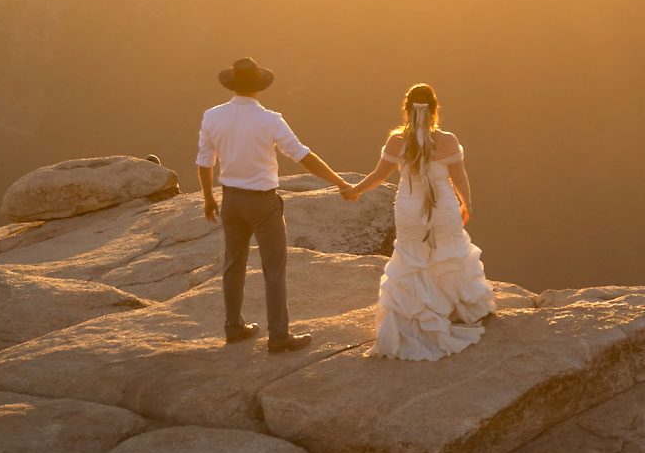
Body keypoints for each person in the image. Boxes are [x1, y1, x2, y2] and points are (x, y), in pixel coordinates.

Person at [196, 56, 356, 352]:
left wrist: (208, 197)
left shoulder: (212, 116)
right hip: (263, 202)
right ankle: (279, 336)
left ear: (232, 83)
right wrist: (339, 182)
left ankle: (233, 327)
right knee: (274, 269)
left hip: (231, 200)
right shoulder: (270, 120)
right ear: (258, 86)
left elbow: (205, 161)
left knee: (233, 264)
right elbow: (302, 156)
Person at [342, 82, 494, 360]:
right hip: (443, 208)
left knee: (412, 259)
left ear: (406, 110)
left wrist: (355, 190)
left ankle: (418, 312)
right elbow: (459, 178)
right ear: (435, 110)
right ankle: (454, 308)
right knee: (449, 254)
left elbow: (379, 176)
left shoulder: (396, 141)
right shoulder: (448, 140)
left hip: (410, 209)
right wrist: (467, 204)